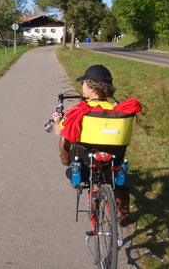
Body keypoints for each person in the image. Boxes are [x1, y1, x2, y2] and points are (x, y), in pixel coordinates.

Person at [49, 64, 142, 223]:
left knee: (65, 136)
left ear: (91, 87)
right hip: (112, 165)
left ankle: (67, 162)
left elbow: (58, 130)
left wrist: (56, 120)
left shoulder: (78, 111)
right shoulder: (120, 111)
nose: (82, 86)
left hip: (86, 167)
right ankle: (122, 214)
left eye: (83, 82)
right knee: (120, 178)